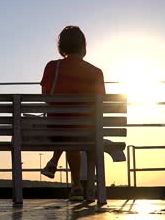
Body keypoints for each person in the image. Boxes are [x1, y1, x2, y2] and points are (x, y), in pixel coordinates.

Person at [39, 25, 105, 200]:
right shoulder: (96, 72)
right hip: (88, 131)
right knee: (74, 128)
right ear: (83, 46)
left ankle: (74, 184)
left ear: (62, 47)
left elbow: (46, 98)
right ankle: (78, 186)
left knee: (67, 128)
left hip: (56, 131)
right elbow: (100, 105)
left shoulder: (52, 67)